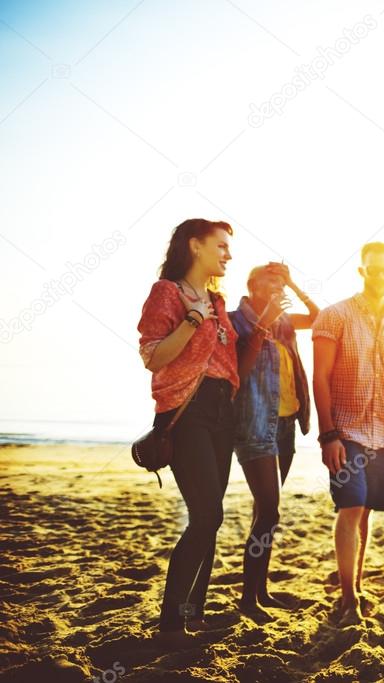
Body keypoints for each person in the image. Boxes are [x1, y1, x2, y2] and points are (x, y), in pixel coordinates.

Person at [137, 218, 239, 643]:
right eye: (221, 246)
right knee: (206, 515)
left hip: (222, 415)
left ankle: (193, 613)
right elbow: (153, 356)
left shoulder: (217, 299)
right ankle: (170, 623)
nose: (228, 255)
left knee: (212, 516)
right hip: (187, 413)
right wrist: (192, 320)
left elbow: (230, 362)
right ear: (195, 246)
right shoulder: (168, 293)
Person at [312, 242, 384, 623]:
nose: (383, 277)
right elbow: (319, 377)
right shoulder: (334, 316)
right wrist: (328, 435)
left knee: (366, 512)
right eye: (375, 270)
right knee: (351, 507)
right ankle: (348, 597)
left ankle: (355, 583)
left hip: (382, 433)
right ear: (362, 271)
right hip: (346, 431)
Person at [229, 263, 318, 615]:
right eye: (270, 281)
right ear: (252, 285)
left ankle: (259, 591)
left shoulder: (284, 321)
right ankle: (249, 599)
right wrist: (263, 321)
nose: (276, 287)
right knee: (269, 511)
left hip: (286, 424)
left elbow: (319, 317)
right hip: (255, 425)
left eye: (281, 282)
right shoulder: (236, 320)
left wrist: (294, 283)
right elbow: (239, 371)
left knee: (264, 512)